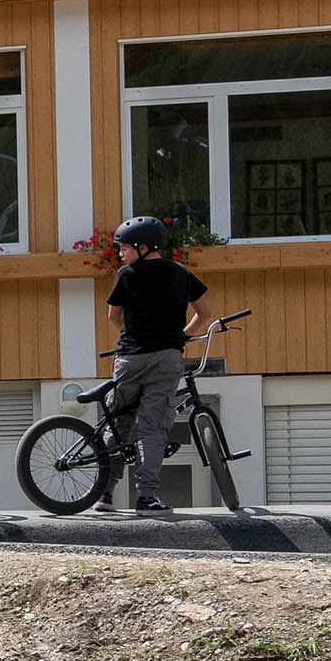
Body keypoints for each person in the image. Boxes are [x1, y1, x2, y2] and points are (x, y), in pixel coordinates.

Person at [103, 214, 213, 517]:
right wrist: (180, 337)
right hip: (166, 358)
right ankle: (147, 498)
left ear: (143, 247)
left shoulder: (127, 274)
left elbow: (114, 317)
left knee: (118, 423)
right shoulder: (180, 273)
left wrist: (135, 337)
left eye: (124, 248)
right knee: (152, 429)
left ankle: (105, 493)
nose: (121, 253)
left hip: (129, 358)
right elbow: (205, 313)